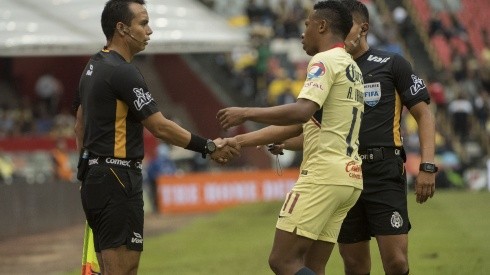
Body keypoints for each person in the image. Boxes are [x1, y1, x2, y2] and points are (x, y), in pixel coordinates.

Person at [265, 1, 437, 274]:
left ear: (363, 28)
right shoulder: (335, 68)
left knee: (396, 262)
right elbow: (314, 128)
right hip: (346, 171)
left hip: (383, 170)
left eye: (347, 26)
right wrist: (282, 142)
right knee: (354, 264)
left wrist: (428, 165)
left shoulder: (392, 64)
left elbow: (424, 115)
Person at [73, 0, 240, 274]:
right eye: (143, 23)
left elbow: (79, 124)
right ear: (122, 28)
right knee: (123, 270)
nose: (149, 31)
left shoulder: (93, 66)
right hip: (117, 177)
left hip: (96, 178)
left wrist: (87, 173)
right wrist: (208, 147)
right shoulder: (123, 72)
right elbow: (160, 127)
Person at [217, 2, 364, 274]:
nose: (302, 32)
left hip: (322, 175)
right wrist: (239, 141)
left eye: (306, 25)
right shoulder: (352, 67)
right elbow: (302, 126)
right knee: (312, 265)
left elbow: (301, 112)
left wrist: (245, 113)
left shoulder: (324, 60)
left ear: (322, 26)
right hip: (349, 176)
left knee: (282, 261)